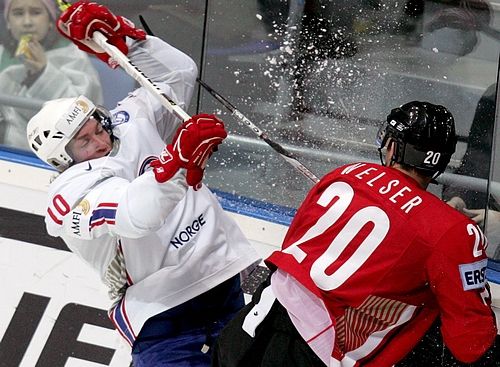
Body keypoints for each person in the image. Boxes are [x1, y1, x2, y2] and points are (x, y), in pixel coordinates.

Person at [26, 2, 261, 366]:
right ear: (62, 159)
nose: (100, 141)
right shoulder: (68, 196)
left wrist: (127, 42)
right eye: (84, 142)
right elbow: (137, 212)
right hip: (165, 319)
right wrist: (178, 163)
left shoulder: (126, 121)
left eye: (95, 127)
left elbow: (180, 75)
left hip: (224, 284)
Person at [211, 101, 498, 366]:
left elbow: (295, 246)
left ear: (393, 148)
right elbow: (470, 343)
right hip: (319, 354)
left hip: (252, 327)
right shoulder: (454, 231)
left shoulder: (348, 173)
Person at [0, 0, 102, 149]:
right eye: (18, 13)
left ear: (50, 20)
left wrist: (42, 72)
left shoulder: (73, 55)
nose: (27, 22)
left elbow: (80, 112)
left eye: (36, 13)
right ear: (7, 22)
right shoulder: (2, 54)